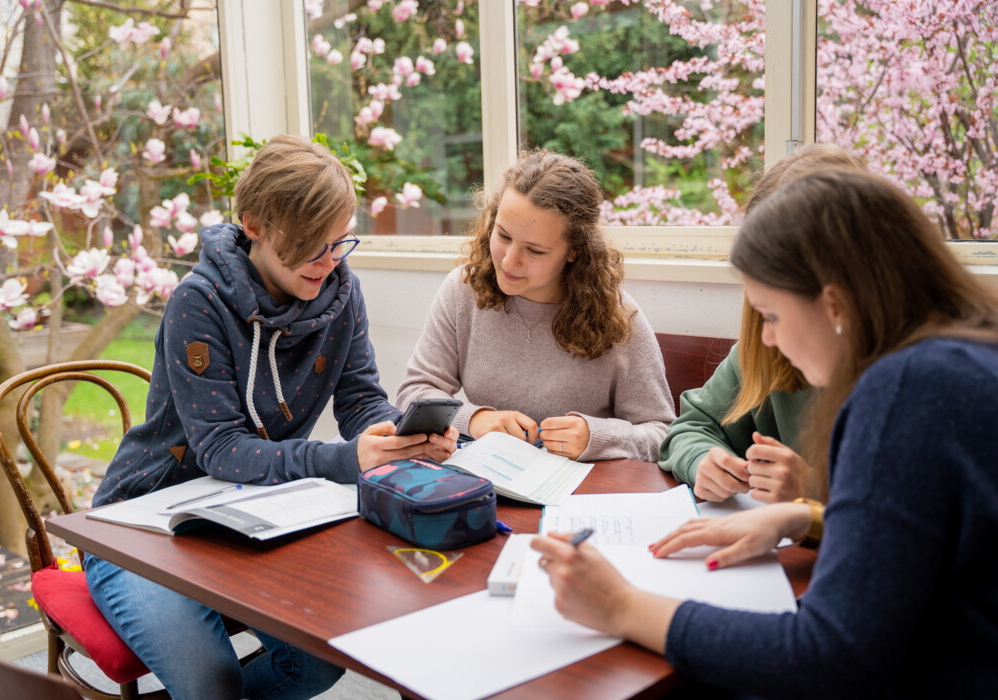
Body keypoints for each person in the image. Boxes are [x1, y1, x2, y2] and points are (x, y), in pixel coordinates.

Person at [532, 169, 998, 698]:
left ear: (836, 303)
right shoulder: (967, 352)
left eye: (772, 315)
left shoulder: (903, 389)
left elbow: (829, 656)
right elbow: (937, 535)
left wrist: (622, 607)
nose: (768, 338)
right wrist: (806, 517)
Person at [85, 135, 457, 700]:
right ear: (254, 223)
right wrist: (344, 458)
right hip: (143, 526)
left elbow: (359, 401)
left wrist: (398, 434)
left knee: (321, 660)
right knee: (212, 682)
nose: (329, 261)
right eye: (311, 245)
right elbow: (221, 450)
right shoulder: (199, 302)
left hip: (251, 517)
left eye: (339, 243)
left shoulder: (339, 291)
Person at [396, 150, 674, 462]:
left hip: (578, 495)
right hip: (491, 483)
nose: (509, 260)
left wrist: (596, 437)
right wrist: (475, 420)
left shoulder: (619, 317)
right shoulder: (463, 290)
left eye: (535, 250)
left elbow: (661, 433)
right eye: (503, 235)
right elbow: (414, 393)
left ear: (574, 252)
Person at [659, 144, 864, 503]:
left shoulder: (912, 374)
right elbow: (691, 426)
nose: (767, 337)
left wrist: (813, 489)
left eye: (776, 313)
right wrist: (703, 460)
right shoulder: (765, 350)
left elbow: (920, 516)